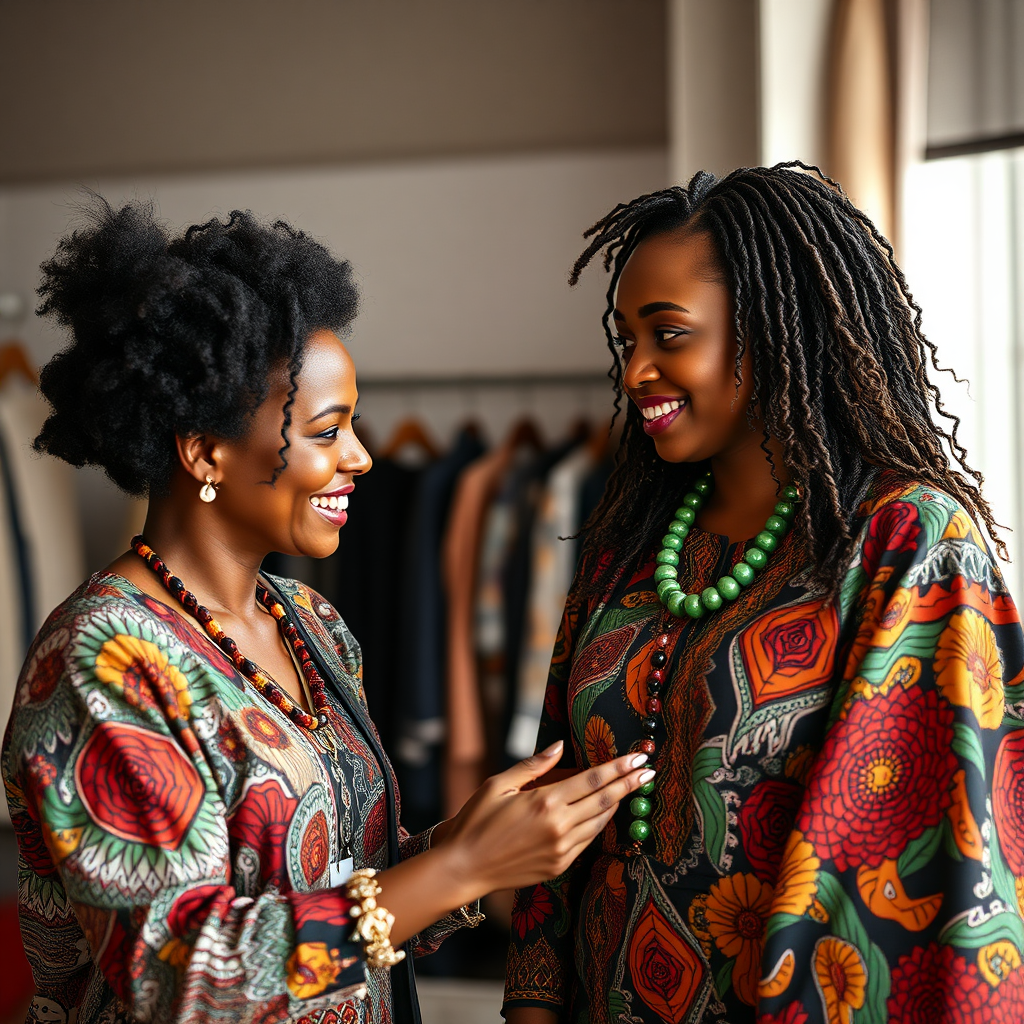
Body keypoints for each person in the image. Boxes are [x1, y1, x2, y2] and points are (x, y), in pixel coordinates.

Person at [0, 201, 654, 1024]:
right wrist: (458, 872)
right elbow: (177, 979)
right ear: (204, 450)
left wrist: (464, 846)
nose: (362, 456)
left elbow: (349, 889)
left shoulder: (310, 625)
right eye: (326, 431)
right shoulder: (103, 660)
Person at [502, 164, 1024, 1024]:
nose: (636, 372)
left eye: (670, 335)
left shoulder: (906, 542)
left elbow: (926, 872)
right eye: (626, 340)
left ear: (781, 333)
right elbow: (552, 807)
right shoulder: (626, 546)